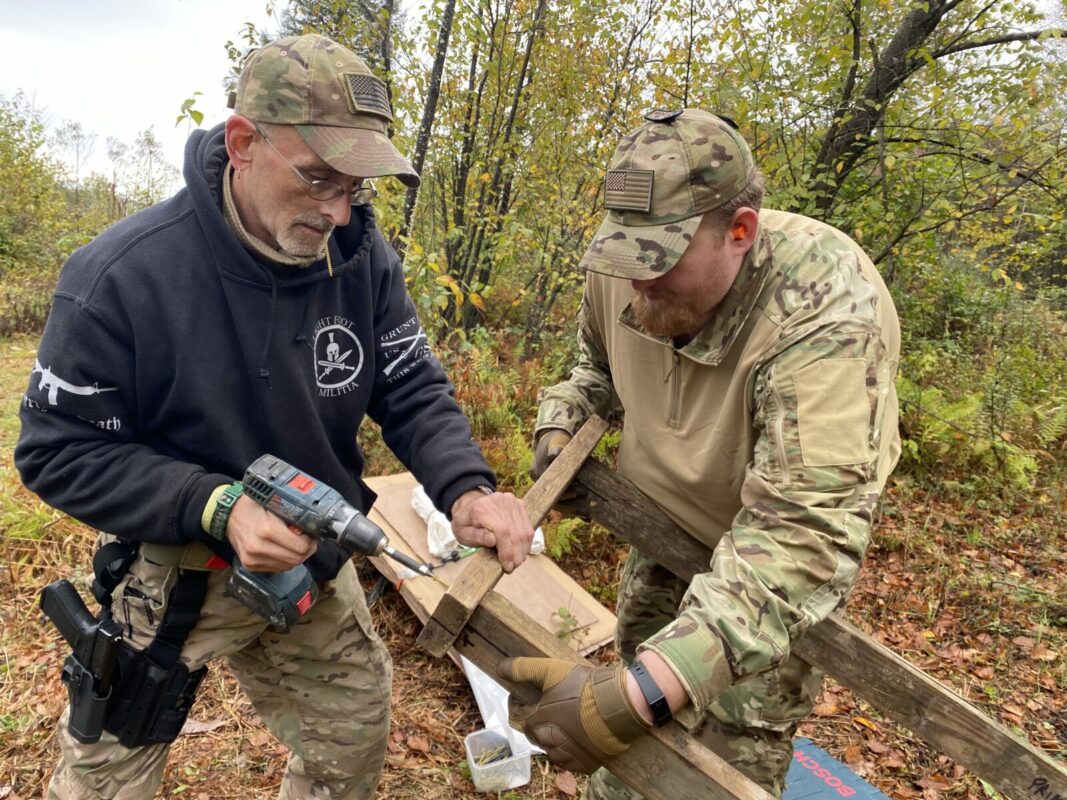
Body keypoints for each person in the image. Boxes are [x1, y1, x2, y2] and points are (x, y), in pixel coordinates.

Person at [16, 34, 534, 800]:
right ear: (242, 143)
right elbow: (57, 450)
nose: (336, 210)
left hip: (315, 556)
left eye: (356, 187)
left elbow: (408, 382)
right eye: (319, 178)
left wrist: (466, 487)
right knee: (105, 776)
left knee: (350, 742)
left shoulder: (360, 257)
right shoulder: (121, 277)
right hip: (179, 572)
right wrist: (214, 505)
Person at [499, 108, 900, 797]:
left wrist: (642, 693)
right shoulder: (623, 270)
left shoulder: (824, 310)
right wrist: (561, 427)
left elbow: (804, 532)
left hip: (766, 570)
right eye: (623, 257)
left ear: (739, 232)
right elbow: (593, 370)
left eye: (656, 262)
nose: (636, 285)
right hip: (662, 534)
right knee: (634, 739)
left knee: (721, 764)